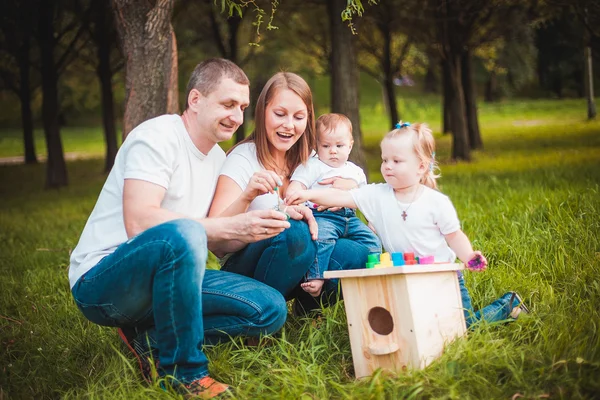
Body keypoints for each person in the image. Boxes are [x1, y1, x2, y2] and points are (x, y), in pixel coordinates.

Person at [69, 59, 293, 398]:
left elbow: (220, 245)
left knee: (269, 308)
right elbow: (139, 220)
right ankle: (184, 374)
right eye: (228, 104)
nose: (237, 116)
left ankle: (150, 339)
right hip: (104, 282)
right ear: (195, 100)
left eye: (243, 107)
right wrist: (226, 225)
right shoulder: (157, 136)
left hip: (173, 284)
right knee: (185, 232)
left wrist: (249, 216)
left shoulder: (219, 159)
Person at [287, 121, 530, 327]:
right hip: (404, 277)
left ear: (421, 166)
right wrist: (308, 195)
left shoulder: (435, 202)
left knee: (460, 328)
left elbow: (454, 236)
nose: (387, 166)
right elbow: (340, 197)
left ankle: (509, 304)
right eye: (384, 160)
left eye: (396, 161)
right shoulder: (377, 195)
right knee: (418, 328)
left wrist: (468, 257)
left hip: (442, 276)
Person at [208, 72, 370, 312]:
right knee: (293, 230)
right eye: (280, 114)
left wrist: (349, 190)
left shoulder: (313, 161)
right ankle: (257, 316)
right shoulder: (243, 159)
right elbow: (216, 241)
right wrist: (249, 197)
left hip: (295, 260)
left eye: (298, 117)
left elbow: (353, 194)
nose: (289, 125)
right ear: (263, 112)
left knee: (356, 252)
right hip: (245, 270)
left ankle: (306, 313)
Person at [286, 113, 381, 297]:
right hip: (324, 217)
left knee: (372, 240)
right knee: (321, 240)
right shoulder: (312, 166)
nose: (333, 151)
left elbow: (367, 198)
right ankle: (316, 277)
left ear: (350, 145)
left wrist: (372, 220)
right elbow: (297, 186)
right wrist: (295, 192)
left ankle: (374, 276)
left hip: (349, 218)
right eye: (326, 146)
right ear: (316, 146)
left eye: (339, 146)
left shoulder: (355, 172)